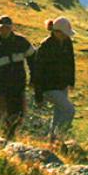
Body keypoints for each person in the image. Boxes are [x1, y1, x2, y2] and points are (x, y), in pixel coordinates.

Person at [0, 16, 36, 139]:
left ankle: (9, 136)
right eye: (2, 28)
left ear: (11, 28)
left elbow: (33, 59)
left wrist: (33, 78)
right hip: (3, 88)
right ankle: (6, 136)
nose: (4, 30)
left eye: (7, 28)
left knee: (19, 114)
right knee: (8, 113)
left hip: (19, 85)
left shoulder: (21, 42)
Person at [31, 16, 76, 144]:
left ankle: (52, 141)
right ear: (57, 32)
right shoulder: (45, 46)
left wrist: (71, 81)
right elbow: (38, 71)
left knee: (59, 112)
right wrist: (38, 94)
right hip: (49, 87)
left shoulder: (67, 42)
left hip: (62, 85)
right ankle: (59, 138)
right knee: (69, 110)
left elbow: (70, 62)